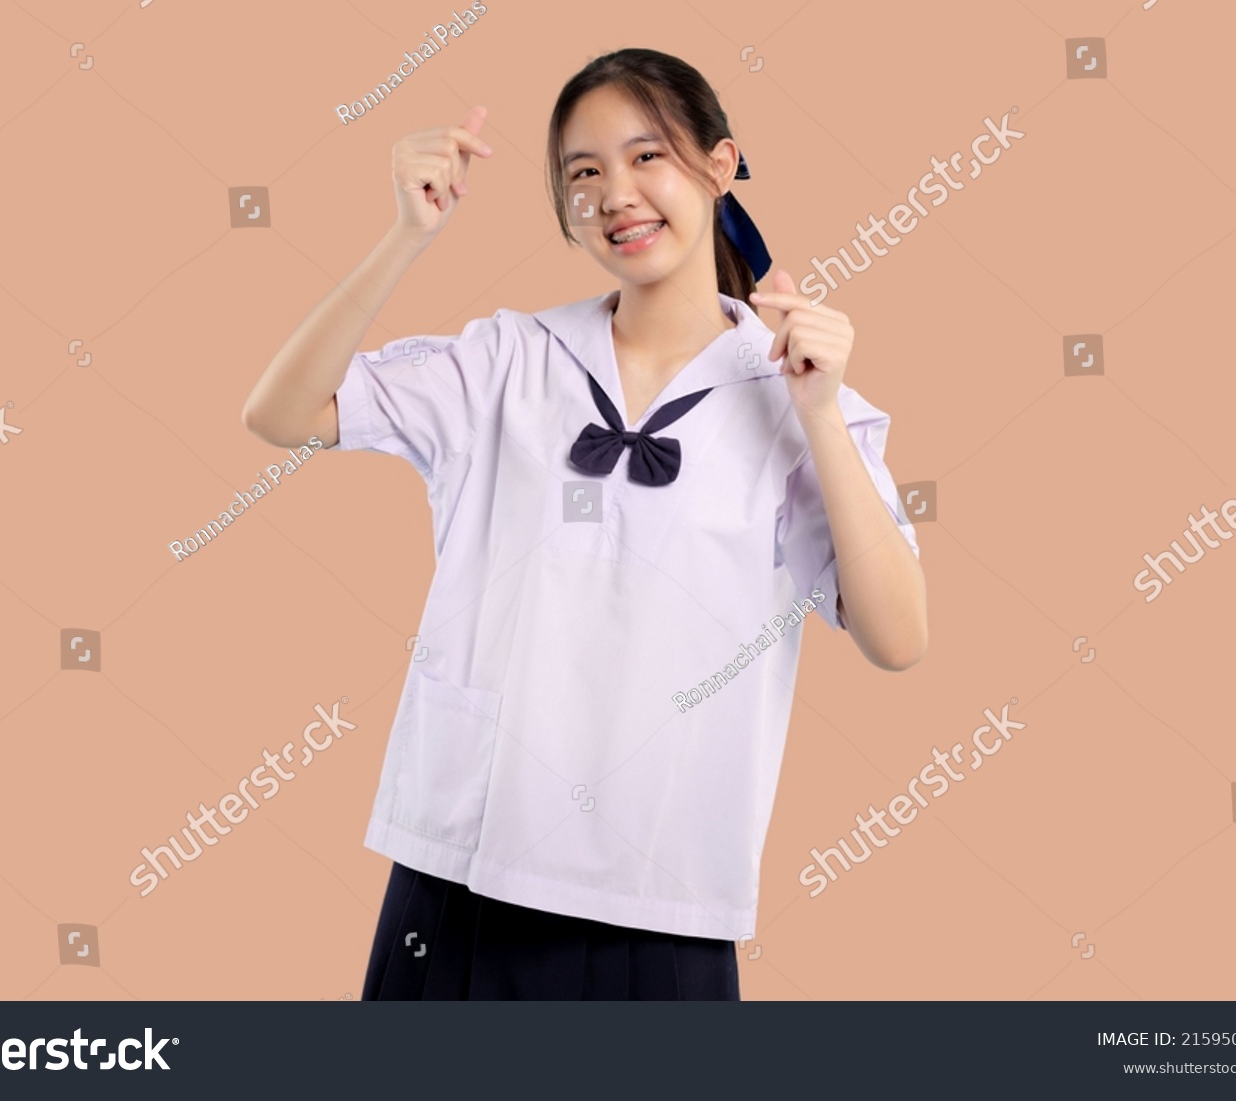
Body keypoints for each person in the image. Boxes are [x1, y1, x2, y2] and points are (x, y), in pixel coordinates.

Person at [241, 48, 927, 1000]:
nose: (617, 194)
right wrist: (404, 236)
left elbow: (898, 636)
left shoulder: (802, 395)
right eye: (584, 173)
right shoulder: (509, 361)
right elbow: (281, 413)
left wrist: (817, 415)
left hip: (665, 909)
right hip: (461, 882)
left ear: (722, 165)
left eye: (648, 157)